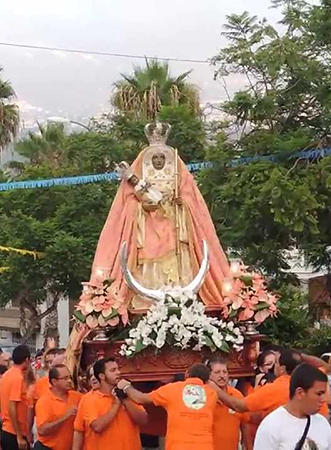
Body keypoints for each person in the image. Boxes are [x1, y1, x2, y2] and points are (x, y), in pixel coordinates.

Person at [85, 121, 234, 311]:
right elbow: (129, 202)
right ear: (148, 160)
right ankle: (148, 300)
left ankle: (180, 299)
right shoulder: (138, 178)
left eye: (161, 158)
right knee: (149, 259)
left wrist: (182, 205)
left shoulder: (179, 175)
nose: (158, 161)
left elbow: (192, 200)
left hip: (175, 225)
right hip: (147, 226)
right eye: (154, 158)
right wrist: (143, 204)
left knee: (177, 261)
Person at [118, 363, 216, 449]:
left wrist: (126, 386)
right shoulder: (212, 394)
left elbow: (140, 398)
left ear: (186, 374)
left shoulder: (172, 389)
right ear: (207, 380)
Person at [253, 364, 331, 449]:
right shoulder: (271, 425)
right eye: (319, 394)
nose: (323, 399)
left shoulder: (322, 423)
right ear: (300, 393)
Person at [73, 358, 146, 450]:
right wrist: (116, 406)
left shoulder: (128, 394)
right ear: (102, 376)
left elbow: (143, 420)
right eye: (113, 370)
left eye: (118, 369)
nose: (118, 372)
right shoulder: (89, 399)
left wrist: (125, 400)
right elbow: (97, 427)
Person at [34, 364, 81, 450]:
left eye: (70, 377)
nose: (69, 381)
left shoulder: (77, 397)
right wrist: (64, 417)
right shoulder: (44, 402)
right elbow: (42, 430)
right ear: (54, 381)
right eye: (65, 378)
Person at [209, 357, 249, 450]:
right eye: (217, 372)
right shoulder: (203, 396)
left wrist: (247, 445)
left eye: (225, 372)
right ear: (209, 375)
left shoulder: (236, 395)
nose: (222, 376)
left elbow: (245, 424)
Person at [0, 344, 32, 450]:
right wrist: (19, 436)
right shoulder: (18, 378)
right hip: (15, 433)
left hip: (6, 429)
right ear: (27, 359)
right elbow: (13, 405)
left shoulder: (6, 375)